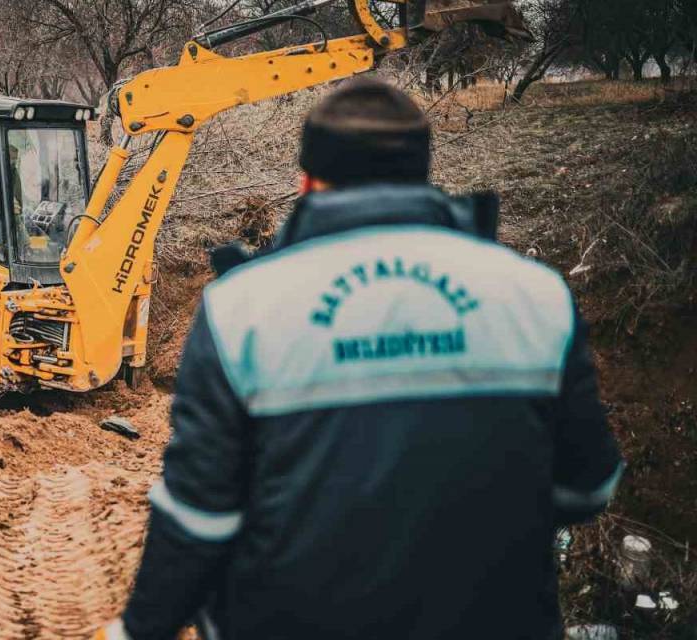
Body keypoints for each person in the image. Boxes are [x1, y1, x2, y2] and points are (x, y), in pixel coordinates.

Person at [97, 79, 623, 640]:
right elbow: (588, 485)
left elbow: (201, 517)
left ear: (307, 182)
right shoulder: (536, 295)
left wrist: (139, 630)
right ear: (422, 172)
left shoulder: (241, 309)